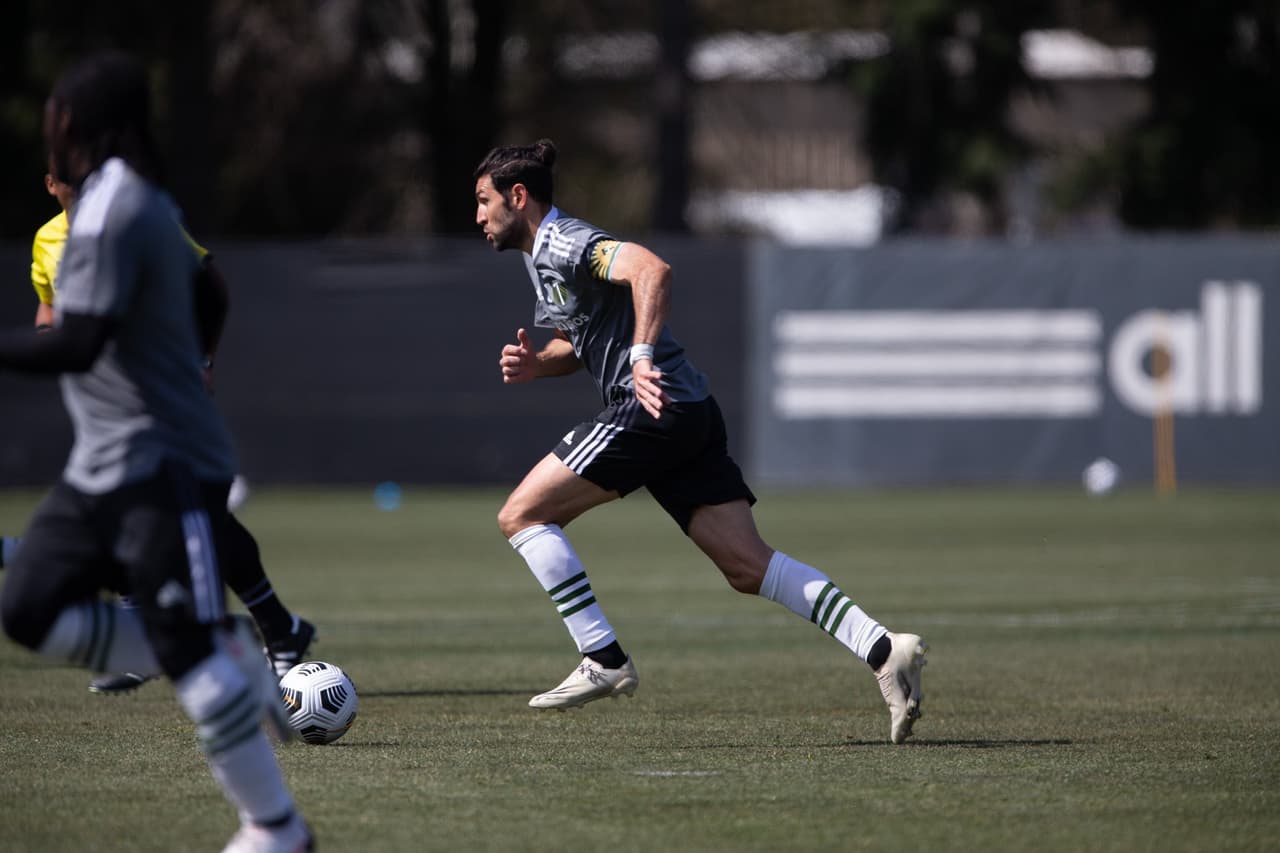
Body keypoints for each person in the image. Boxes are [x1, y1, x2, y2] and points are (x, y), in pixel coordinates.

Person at [473, 139, 928, 744]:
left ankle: (602, 657)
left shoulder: (563, 240)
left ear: (518, 196)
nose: (478, 215)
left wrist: (638, 357)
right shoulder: (539, 257)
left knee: (521, 514)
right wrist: (540, 364)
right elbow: (580, 343)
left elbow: (650, 269)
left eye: (484, 201)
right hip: (686, 410)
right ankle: (882, 649)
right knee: (747, 566)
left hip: (650, 406)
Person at [0, 52, 313, 850]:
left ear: (89, 130)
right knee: (27, 606)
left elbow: (76, 343)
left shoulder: (118, 210)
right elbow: (201, 291)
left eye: (58, 120)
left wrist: (185, 370)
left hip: (165, 461)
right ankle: (228, 642)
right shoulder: (112, 206)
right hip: (102, 461)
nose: (50, 133)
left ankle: (277, 829)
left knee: (193, 666)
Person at [12, 167, 316, 695]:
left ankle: (249, 634)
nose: (80, 185)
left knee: (192, 513)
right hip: (104, 414)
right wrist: (49, 341)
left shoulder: (135, 223)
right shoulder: (47, 241)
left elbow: (211, 286)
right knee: (143, 513)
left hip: (165, 403)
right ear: (49, 184)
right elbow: (50, 309)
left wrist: (203, 360)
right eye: (68, 176)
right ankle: (240, 631)